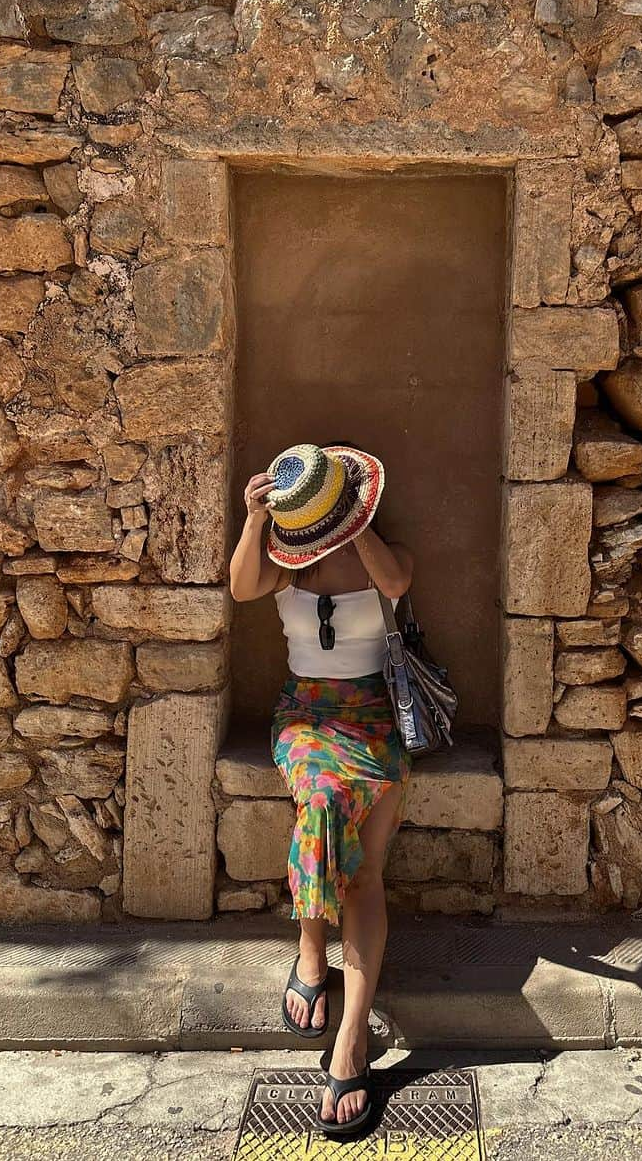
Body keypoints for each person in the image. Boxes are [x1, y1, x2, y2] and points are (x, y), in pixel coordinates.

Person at [228, 441, 413, 1137]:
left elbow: (395, 585)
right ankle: (311, 950)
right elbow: (242, 587)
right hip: (306, 717)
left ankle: (351, 1039)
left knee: (365, 877)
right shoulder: (286, 562)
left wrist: (354, 526)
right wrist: (254, 521)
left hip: (371, 717)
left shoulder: (385, 553)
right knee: (323, 801)